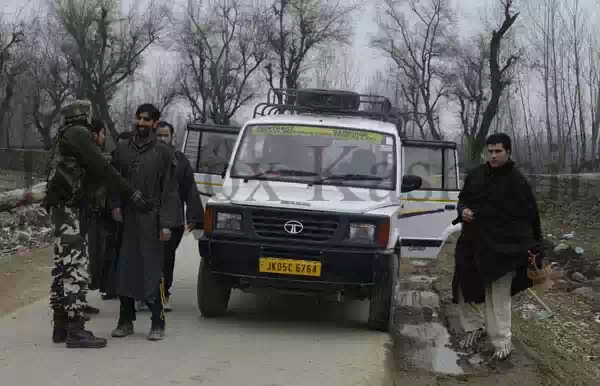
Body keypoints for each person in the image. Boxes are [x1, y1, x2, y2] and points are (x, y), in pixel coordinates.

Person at [44, 100, 151, 348]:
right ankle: (75, 329)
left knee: (63, 266)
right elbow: (101, 168)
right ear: (84, 114)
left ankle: (61, 326)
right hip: (67, 210)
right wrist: (129, 192)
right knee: (76, 267)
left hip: (63, 209)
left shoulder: (65, 135)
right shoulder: (78, 134)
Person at [452, 133, 543, 361]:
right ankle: (473, 327)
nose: (493, 155)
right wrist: (462, 211)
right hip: (472, 242)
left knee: (497, 294)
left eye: (498, 151)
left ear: (508, 152)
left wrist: (533, 248)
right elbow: (462, 199)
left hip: (503, 248)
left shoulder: (517, 183)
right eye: (490, 151)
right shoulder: (477, 174)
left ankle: (502, 341)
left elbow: (527, 218)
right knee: (464, 284)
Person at [109, 103, 179, 341]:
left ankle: (157, 322)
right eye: (138, 119)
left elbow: (170, 192)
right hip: (127, 220)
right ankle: (125, 320)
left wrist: (166, 224)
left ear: (155, 123)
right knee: (124, 270)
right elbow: (114, 181)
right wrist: (116, 205)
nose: (141, 123)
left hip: (152, 219)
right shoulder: (122, 150)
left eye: (146, 120)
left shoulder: (163, 153)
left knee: (152, 272)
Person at [156, 121, 204, 311]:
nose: (161, 139)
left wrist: (194, 218)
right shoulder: (145, 157)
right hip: (149, 218)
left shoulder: (180, 160)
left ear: (172, 137)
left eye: (165, 135)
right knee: (149, 257)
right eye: (158, 135)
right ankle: (149, 294)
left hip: (173, 219)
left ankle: (163, 294)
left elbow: (190, 189)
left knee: (167, 259)